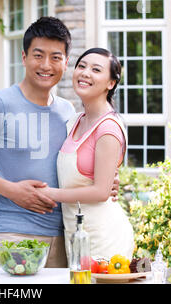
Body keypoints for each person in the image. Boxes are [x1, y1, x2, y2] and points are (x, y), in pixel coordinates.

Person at [0, 17, 118, 268]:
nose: (46, 65)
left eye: (56, 57)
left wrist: (105, 181)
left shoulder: (67, 111)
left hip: (63, 239)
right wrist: (11, 190)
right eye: (38, 55)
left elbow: (76, 165)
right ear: (24, 57)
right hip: (13, 235)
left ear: (65, 62)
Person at [36, 47, 135, 261]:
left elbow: (101, 192)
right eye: (82, 66)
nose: (85, 73)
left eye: (96, 69)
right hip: (77, 235)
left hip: (104, 238)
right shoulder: (75, 121)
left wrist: (50, 194)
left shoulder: (108, 128)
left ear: (111, 83)